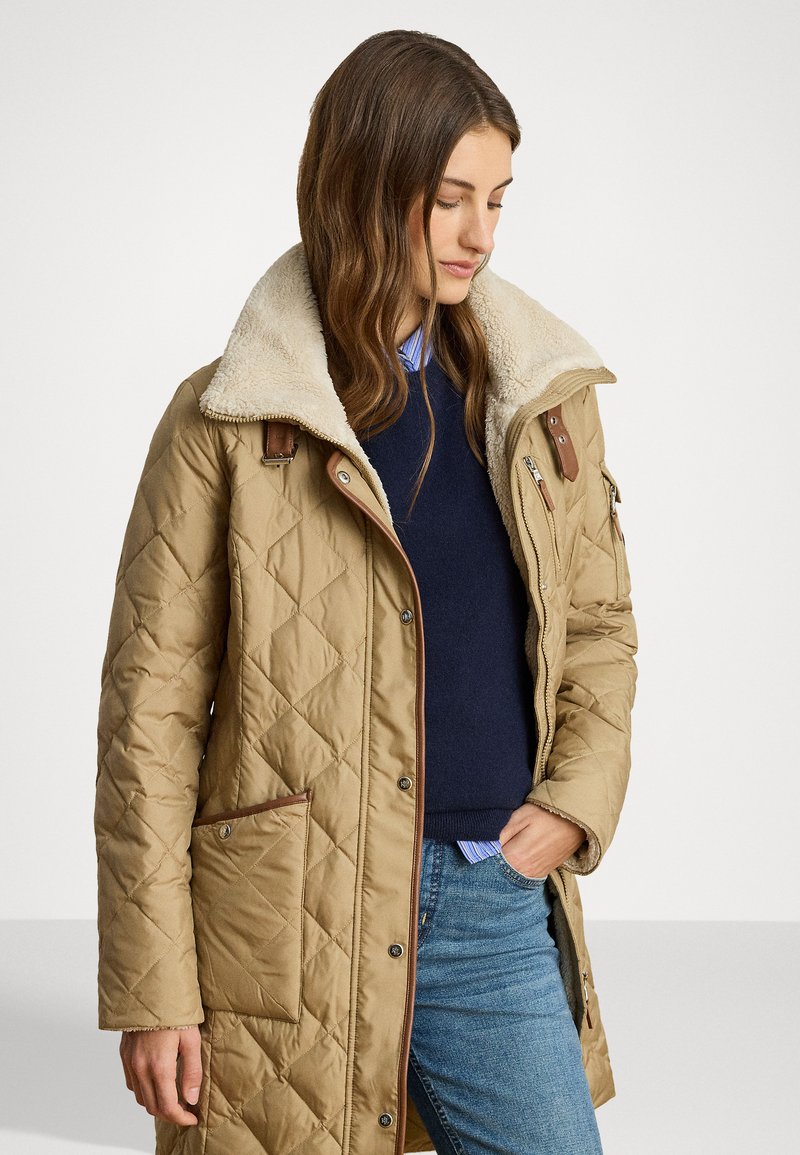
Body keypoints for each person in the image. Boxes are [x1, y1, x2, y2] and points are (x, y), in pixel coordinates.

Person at [94, 28, 638, 1155]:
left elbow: (595, 627)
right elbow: (149, 717)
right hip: (283, 923)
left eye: (497, 201)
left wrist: (573, 804)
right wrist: (154, 983)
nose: (481, 235)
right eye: (449, 201)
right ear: (364, 189)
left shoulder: (541, 405)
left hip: (488, 903)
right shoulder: (227, 421)